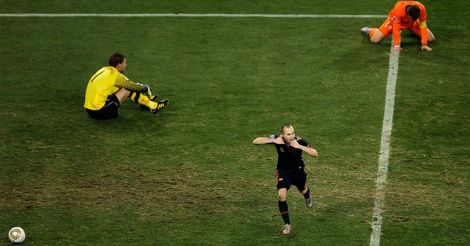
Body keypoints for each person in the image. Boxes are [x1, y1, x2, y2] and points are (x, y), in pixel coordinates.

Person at [252, 124, 318, 235]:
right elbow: (255, 141)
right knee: (281, 195)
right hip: (283, 171)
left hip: (298, 171)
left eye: (293, 133)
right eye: (288, 134)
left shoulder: (300, 141)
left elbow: (315, 153)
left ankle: (307, 196)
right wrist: (273, 141)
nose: (292, 136)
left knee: (303, 190)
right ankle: (287, 224)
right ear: (282, 134)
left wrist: (299, 147)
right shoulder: (278, 139)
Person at [84, 52, 169, 120]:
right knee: (127, 89)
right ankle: (153, 106)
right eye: (125, 63)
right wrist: (145, 88)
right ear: (118, 65)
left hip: (89, 110)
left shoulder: (104, 70)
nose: (126, 65)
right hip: (100, 112)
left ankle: (147, 104)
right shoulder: (115, 76)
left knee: (123, 88)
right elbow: (134, 87)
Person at [361, 1, 435, 52]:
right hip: (394, 23)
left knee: (431, 38)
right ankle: (371, 30)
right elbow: (396, 29)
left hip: (412, 23)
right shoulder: (398, 9)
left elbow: (423, 25)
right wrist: (396, 45)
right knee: (374, 40)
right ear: (408, 15)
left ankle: (412, 30)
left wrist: (424, 44)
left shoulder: (421, 8)